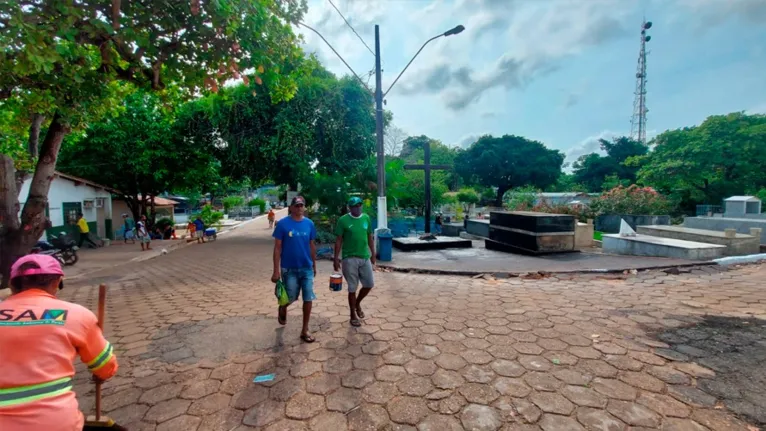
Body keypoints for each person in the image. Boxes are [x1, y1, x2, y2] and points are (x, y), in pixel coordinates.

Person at [0, 254, 118, 430]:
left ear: (12, 284)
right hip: (54, 422)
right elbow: (106, 367)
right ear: (57, 282)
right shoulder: (77, 315)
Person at [272, 196, 317, 343]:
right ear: (291, 208)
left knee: (308, 297)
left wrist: (314, 265)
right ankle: (283, 308)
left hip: (306, 267)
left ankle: (304, 330)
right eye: (296, 206)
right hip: (289, 268)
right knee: (291, 297)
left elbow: (311, 245)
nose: (299, 208)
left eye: (301, 205)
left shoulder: (309, 224)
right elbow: (277, 248)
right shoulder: (283, 224)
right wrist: (276, 271)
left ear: (304, 207)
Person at [334, 197, 375, 327]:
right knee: (352, 288)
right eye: (354, 206)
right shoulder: (343, 220)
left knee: (369, 284)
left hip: (364, 256)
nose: (357, 208)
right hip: (349, 258)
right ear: (349, 207)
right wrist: (336, 258)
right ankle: (352, 314)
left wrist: (373, 254)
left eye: (359, 205)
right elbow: (339, 240)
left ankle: (357, 303)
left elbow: (369, 237)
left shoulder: (366, 218)